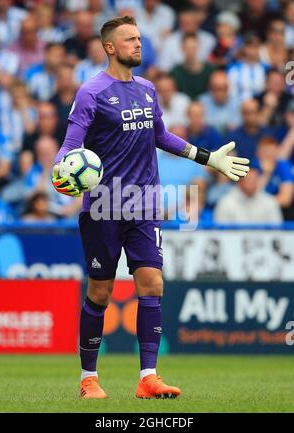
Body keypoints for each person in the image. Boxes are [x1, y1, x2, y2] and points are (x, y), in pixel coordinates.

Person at [51, 15, 249, 400]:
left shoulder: (147, 89)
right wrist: (61, 170)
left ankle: (148, 377)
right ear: (110, 47)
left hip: (144, 204)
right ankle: (88, 380)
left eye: (140, 38)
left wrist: (208, 159)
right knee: (101, 293)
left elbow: (161, 136)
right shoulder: (92, 92)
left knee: (152, 283)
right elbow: (70, 144)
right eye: (130, 39)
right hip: (103, 206)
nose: (138, 44)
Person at [214, 167, 283, 224]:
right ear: (239, 182)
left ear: (258, 181)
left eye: (253, 180)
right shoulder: (226, 202)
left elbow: (277, 230)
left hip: (264, 240)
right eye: (247, 180)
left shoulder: (270, 202)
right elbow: (221, 232)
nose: (250, 183)